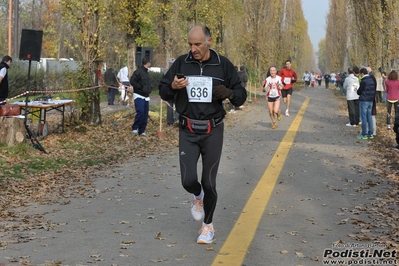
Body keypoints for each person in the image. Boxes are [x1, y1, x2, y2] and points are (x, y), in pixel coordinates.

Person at [158, 25, 247, 244]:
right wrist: (173, 85)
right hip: (188, 129)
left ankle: (208, 226)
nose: (193, 49)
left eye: (197, 44)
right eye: (190, 44)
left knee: (209, 182)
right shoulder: (181, 62)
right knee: (188, 180)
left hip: (213, 129)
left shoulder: (222, 64)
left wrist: (228, 93)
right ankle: (196, 197)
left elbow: (241, 95)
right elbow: (162, 90)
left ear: (209, 41)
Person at [130, 57, 152, 136]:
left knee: (145, 114)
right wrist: (139, 87)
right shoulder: (138, 72)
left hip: (146, 95)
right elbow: (132, 81)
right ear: (147, 63)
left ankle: (142, 130)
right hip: (138, 95)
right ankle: (135, 127)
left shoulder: (147, 73)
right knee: (141, 111)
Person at [357, 68, 375, 140]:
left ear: (362, 74)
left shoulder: (363, 81)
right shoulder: (371, 80)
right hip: (370, 100)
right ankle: (371, 133)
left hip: (364, 100)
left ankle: (364, 133)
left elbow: (359, 92)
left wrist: (357, 90)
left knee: (363, 117)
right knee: (369, 117)